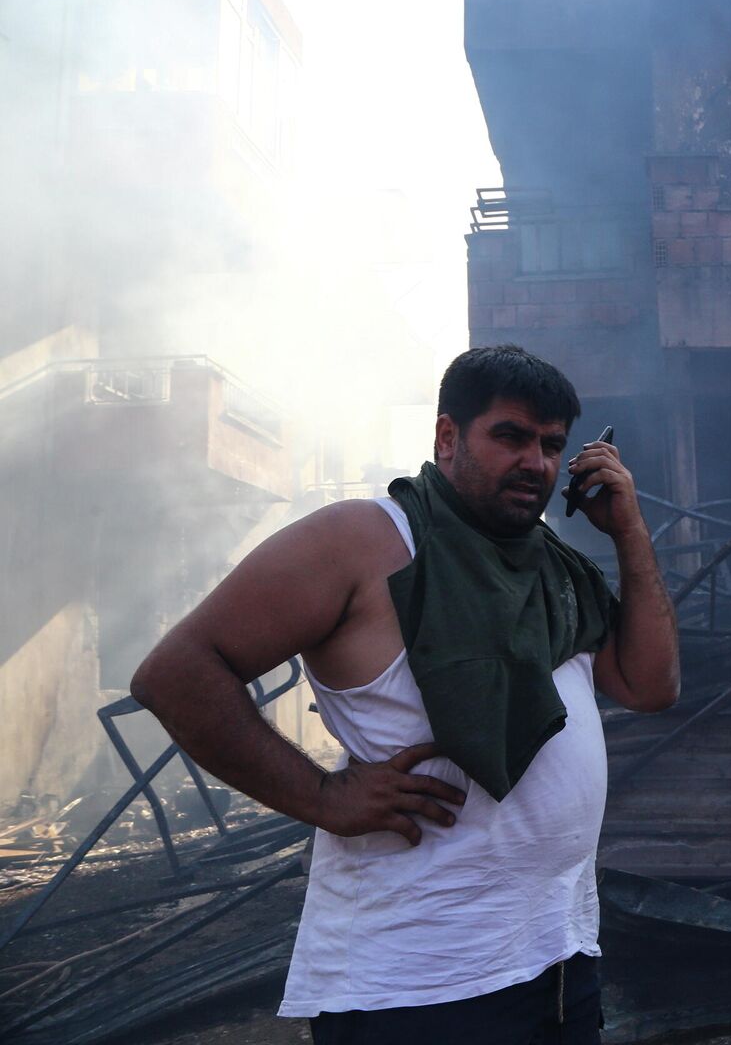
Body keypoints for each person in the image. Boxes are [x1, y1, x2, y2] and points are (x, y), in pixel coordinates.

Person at [131, 345, 680, 1043]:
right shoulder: (366, 541)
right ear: (448, 437)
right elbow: (176, 671)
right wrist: (324, 798)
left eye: (551, 445)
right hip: (412, 988)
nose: (535, 463)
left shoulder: (554, 570)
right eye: (509, 436)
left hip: (561, 963)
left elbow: (651, 685)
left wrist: (629, 530)